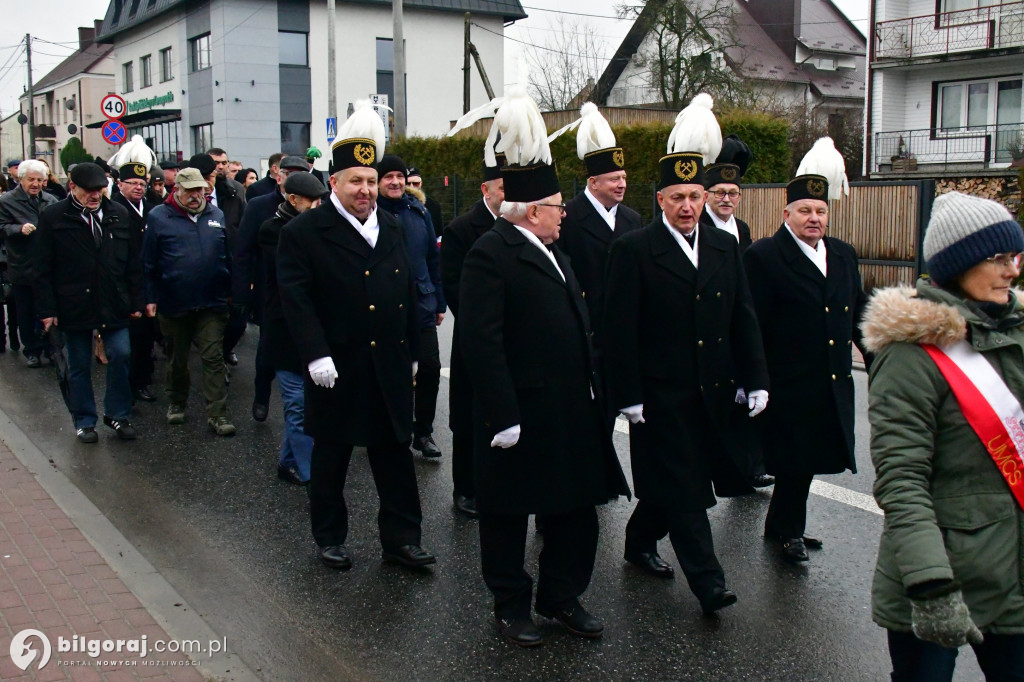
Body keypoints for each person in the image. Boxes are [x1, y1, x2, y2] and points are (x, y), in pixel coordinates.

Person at [459, 87, 630, 647]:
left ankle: (561, 595)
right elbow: (482, 342)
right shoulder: (492, 253)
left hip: (570, 409)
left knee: (574, 510)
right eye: (558, 206)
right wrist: (502, 414)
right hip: (520, 413)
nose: (564, 213)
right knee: (509, 516)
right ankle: (511, 605)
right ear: (533, 212)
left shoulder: (555, 250)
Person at [604, 97, 768, 614]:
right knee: (688, 486)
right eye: (678, 197)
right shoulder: (634, 250)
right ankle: (709, 582)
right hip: (660, 393)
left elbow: (742, 315)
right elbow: (617, 329)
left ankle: (638, 540)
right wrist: (626, 394)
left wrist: (755, 377)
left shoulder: (724, 246)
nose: (688, 207)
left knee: (675, 481)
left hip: (712, 390)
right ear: (660, 200)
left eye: (695, 197)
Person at [862, 191, 1024, 681]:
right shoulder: (911, 353)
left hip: (1013, 573)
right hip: (938, 576)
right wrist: (932, 586)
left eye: (1015, 256)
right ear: (958, 265)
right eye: (998, 258)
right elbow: (901, 480)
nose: (1012, 271)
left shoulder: (1015, 333)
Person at [276, 100, 433, 571]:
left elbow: (406, 285)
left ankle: (402, 540)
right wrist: (315, 355)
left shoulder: (393, 226)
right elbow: (296, 299)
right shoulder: (305, 232)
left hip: (386, 360)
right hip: (335, 364)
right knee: (332, 456)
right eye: (355, 182)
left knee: (394, 457)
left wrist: (408, 346)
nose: (365, 190)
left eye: (370, 181)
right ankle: (330, 536)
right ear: (334, 183)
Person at [743, 142, 868, 564]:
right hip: (788, 382)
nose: (814, 219)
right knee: (795, 461)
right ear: (787, 215)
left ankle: (782, 526)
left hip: (831, 381)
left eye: (820, 211)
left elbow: (859, 314)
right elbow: (751, 323)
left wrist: (877, 358)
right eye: (805, 211)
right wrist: (751, 378)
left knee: (809, 461)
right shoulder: (764, 256)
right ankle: (788, 532)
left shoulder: (844, 255)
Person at [34, 162, 145, 442]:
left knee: (120, 354)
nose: (95, 196)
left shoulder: (117, 214)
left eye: (100, 190)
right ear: (73, 188)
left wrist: (136, 300)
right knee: (79, 364)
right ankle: (84, 420)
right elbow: (42, 268)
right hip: (73, 303)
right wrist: (47, 310)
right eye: (89, 191)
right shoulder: (54, 217)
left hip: (113, 301)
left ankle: (117, 415)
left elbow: (133, 263)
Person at [698, 137, 775, 492]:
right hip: (712, 325)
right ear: (707, 195)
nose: (726, 199)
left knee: (750, 396)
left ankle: (752, 466)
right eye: (719, 192)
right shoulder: (699, 228)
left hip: (740, 320)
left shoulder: (741, 229)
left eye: (733, 193)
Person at [555, 104, 641, 398]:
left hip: (624, 331)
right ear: (593, 182)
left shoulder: (632, 219)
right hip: (586, 331)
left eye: (624, 178)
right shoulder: (568, 218)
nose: (622, 185)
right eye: (615, 179)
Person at [142, 167, 236, 437]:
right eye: (190, 191)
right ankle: (176, 401)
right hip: (174, 302)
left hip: (212, 302)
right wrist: (150, 298)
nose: (197, 196)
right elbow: (148, 263)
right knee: (177, 358)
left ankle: (217, 414)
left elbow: (227, 255)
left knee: (213, 358)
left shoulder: (215, 215)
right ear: (177, 191)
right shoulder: (159, 217)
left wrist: (232, 290)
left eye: (200, 190)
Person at [439, 154, 504, 519]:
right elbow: (453, 285)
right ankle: (465, 488)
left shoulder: (520, 223)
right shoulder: (463, 229)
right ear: (485, 190)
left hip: (511, 339)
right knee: (467, 418)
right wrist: (485, 322)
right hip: (474, 339)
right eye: (503, 188)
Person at [258, 171, 326, 486]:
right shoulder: (273, 231)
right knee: (298, 405)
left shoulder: (319, 229)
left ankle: (288, 462)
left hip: (313, 333)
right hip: (284, 333)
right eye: (310, 201)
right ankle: (311, 474)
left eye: (320, 200)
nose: (316, 206)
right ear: (292, 199)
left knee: (308, 404)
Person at [376, 154, 446, 459]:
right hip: (384, 307)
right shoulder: (371, 213)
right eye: (388, 177)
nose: (395, 182)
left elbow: (432, 258)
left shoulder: (420, 212)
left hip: (421, 304)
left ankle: (423, 431)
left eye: (399, 177)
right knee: (393, 372)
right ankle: (393, 429)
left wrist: (439, 301)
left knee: (429, 368)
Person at [233, 155, 310, 422]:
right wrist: (242, 293)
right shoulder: (259, 206)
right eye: (289, 174)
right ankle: (261, 396)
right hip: (269, 290)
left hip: (303, 292)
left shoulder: (313, 207)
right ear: (278, 177)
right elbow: (243, 251)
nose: (294, 180)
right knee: (267, 347)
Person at [110, 138, 160, 403]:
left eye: (142, 184)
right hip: (124, 283)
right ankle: (126, 387)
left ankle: (142, 381)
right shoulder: (113, 211)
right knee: (127, 340)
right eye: (133, 184)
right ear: (120, 185)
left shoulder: (152, 210)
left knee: (145, 338)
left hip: (148, 281)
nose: (139, 188)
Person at [189, 153, 247, 368]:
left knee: (239, 320)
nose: (205, 183)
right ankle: (213, 359)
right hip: (202, 270)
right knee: (207, 320)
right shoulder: (185, 199)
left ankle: (223, 350)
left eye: (209, 177)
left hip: (232, 266)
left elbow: (244, 228)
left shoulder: (233, 193)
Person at [0, 159, 58, 367]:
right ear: (20, 179)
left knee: (48, 307)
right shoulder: (7, 201)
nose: (35, 184)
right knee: (25, 309)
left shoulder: (50, 200)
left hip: (48, 265)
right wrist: (17, 229)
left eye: (39, 180)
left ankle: (50, 347)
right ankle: (31, 350)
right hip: (22, 264)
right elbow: (1, 226)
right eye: (31, 179)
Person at [405, 168, 443, 236]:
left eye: (415, 183)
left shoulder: (433, 205)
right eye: (407, 184)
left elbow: (438, 234)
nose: (411, 187)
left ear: (421, 184)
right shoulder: (397, 204)